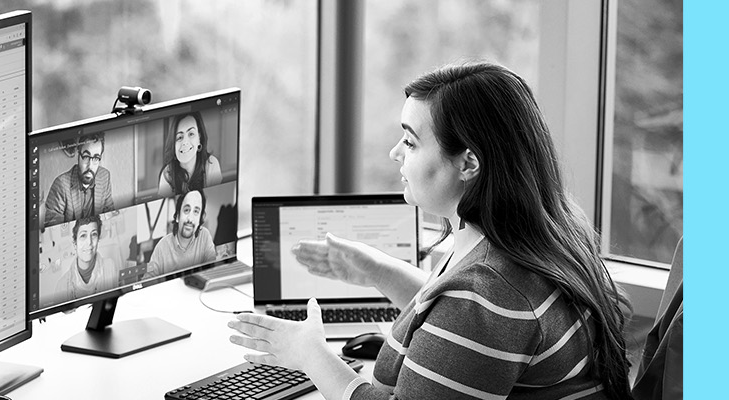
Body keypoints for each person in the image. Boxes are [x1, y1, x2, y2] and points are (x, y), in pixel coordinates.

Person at [224, 61, 634, 400]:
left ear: (468, 163)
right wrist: (379, 269)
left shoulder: (488, 292)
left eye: (411, 142)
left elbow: (474, 317)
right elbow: (458, 330)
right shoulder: (539, 236)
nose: (395, 153)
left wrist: (309, 353)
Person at [151, 113, 221, 235]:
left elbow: (213, 210)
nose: (185, 142)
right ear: (174, 144)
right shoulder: (167, 175)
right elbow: (163, 221)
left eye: (191, 134)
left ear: (199, 138)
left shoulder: (211, 165)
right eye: (179, 137)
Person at [42, 131, 116, 227]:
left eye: (96, 158)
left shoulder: (104, 177)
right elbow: (54, 228)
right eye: (85, 157)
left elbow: (110, 214)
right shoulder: (60, 185)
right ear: (78, 154)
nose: (90, 166)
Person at [146, 188, 216, 276]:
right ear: (177, 216)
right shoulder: (162, 246)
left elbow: (213, 269)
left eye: (196, 212)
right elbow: (148, 280)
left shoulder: (205, 237)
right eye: (186, 210)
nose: (190, 219)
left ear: (199, 220)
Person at [70, 214, 117, 295]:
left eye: (94, 234)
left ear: (98, 239)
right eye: (83, 235)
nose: (89, 242)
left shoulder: (110, 266)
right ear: (75, 244)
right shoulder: (61, 285)